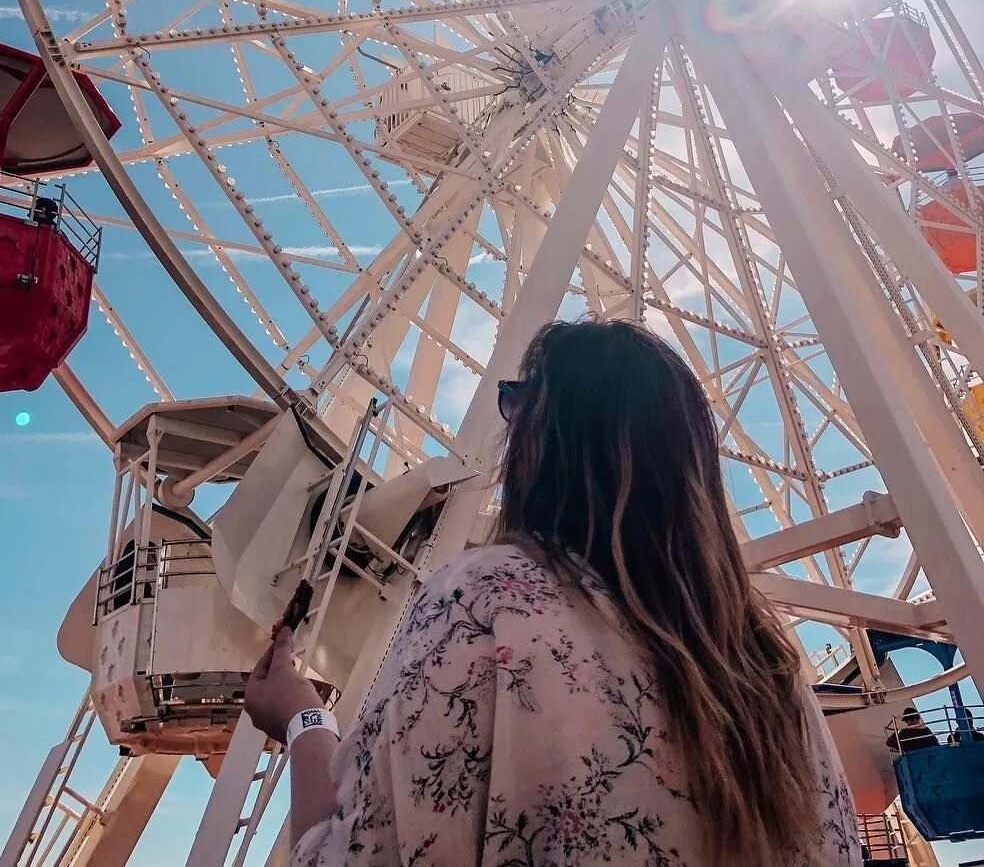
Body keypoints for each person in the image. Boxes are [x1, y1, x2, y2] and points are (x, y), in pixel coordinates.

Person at [246, 319, 861, 865]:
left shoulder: (489, 599)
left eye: (516, 405)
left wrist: (302, 721)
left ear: (544, 440)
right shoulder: (773, 674)